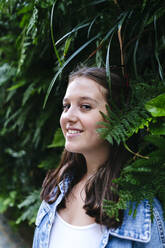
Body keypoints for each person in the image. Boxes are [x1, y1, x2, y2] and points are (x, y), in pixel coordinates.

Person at [33, 67, 165, 248]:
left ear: (117, 117)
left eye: (85, 106)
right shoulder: (58, 189)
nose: (68, 117)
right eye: (66, 106)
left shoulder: (140, 211)